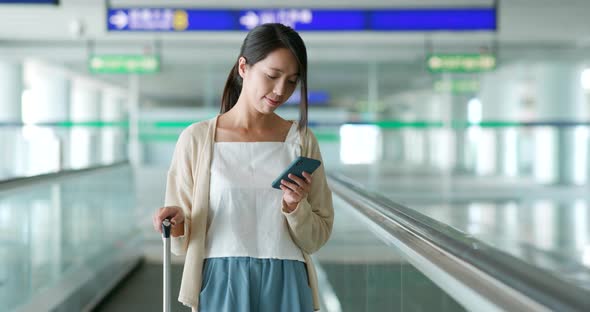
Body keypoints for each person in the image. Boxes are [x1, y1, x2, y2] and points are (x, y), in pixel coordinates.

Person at [152, 23, 334, 312]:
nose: (280, 90)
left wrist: (295, 206)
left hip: (287, 277)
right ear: (243, 67)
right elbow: (180, 241)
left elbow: (317, 236)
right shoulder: (197, 139)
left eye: (291, 81)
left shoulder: (300, 141)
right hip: (222, 278)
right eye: (272, 75)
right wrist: (175, 224)